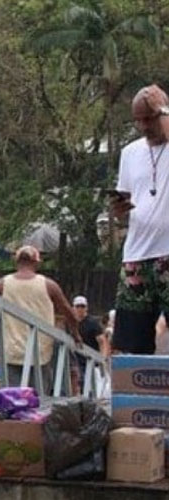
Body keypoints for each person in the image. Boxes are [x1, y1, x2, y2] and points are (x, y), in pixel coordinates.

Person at [109, 84, 169, 354]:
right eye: (139, 120)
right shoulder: (130, 153)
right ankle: (138, 393)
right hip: (137, 254)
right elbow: (125, 197)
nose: (144, 126)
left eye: (150, 118)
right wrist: (119, 210)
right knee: (132, 339)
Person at [0, 246, 80, 395]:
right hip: (40, 354)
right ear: (37, 263)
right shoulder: (49, 285)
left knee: (11, 400)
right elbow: (70, 314)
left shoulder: (2, 284)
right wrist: (76, 336)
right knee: (37, 399)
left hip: (12, 352)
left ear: (16, 262)